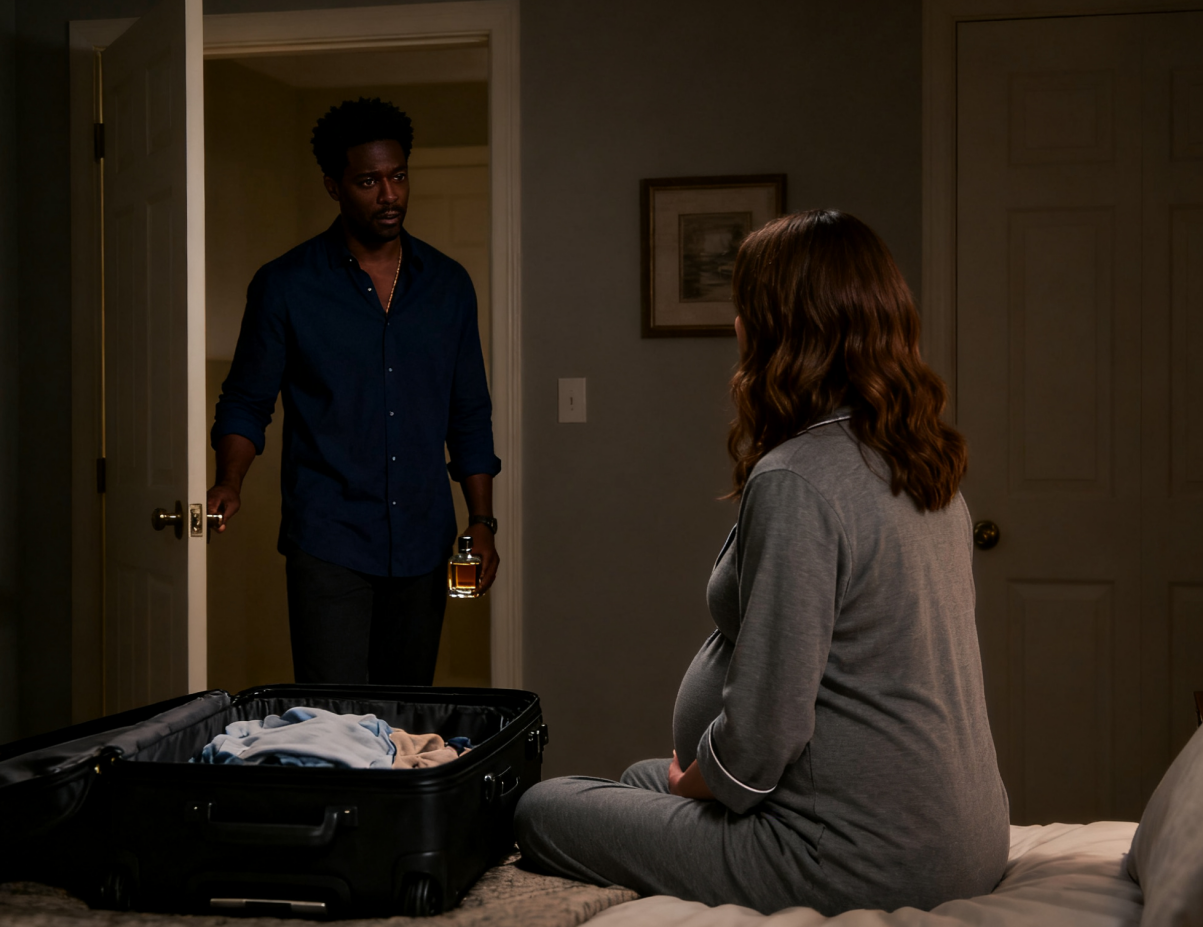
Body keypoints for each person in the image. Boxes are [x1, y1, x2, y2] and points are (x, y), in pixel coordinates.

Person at [514, 210, 1009, 915]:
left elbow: (766, 732)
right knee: (635, 779)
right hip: (958, 836)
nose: (737, 324)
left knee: (543, 807)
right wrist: (691, 775)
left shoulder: (798, 481)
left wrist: (697, 782)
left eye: (745, 306)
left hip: (851, 851)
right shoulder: (917, 462)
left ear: (781, 326)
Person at [207, 98, 500, 686]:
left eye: (398, 176)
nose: (389, 195)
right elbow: (246, 400)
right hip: (327, 541)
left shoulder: (448, 286)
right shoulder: (285, 285)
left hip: (422, 541)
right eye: (368, 181)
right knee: (333, 719)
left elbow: (468, 412)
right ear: (334, 187)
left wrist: (483, 520)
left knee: (403, 716)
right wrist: (229, 481)